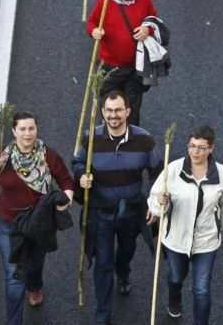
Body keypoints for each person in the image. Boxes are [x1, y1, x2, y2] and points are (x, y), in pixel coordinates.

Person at [72, 90, 163, 324]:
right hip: (100, 212)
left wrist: (155, 203)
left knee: (126, 250)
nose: (113, 115)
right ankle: (103, 313)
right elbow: (78, 162)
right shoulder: (90, 137)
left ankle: (123, 271)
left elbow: (159, 175)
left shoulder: (144, 140)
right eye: (109, 111)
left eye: (118, 110)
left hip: (132, 211)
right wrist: (82, 175)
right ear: (102, 112)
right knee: (103, 261)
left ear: (128, 111)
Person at [0, 111, 74, 325]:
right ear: (13, 131)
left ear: (36, 129)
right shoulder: (3, 155)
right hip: (8, 224)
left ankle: (35, 285)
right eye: (22, 129)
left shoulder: (47, 155)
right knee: (13, 275)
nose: (27, 133)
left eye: (31, 128)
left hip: (39, 222)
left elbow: (66, 181)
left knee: (36, 262)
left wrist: (66, 199)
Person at [147, 125, 223, 324]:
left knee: (201, 289)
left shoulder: (221, 174)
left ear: (211, 148)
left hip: (206, 242)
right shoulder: (173, 170)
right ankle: (174, 299)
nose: (195, 151)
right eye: (192, 146)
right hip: (176, 240)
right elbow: (153, 201)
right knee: (176, 278)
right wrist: (159, 204)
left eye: (201, 147)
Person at [87, 0, 158, 126]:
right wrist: (94, 31)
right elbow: (91, 22)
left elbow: (154, 21)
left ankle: (130, 142)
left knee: (132, 109)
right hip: (109, 66)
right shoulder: (105, 0)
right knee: (110, 108)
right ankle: (109, 139)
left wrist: (147, 30)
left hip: (135, 66)